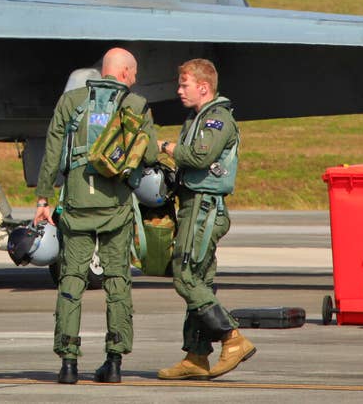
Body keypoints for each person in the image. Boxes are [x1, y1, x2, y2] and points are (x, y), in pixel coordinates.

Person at [34, 47, 158, 385]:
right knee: (117, 281)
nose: (134, 79)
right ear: (123, 73)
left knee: (71, 281)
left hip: (75, 205)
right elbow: (148, 155)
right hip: (115, 208)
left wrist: (44, 197)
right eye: (132, 73)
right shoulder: (135, 105)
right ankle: (114, 361)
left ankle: (68, 364)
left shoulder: (71, 102)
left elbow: (52, 151)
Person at [156, 58, 255, 381]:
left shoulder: (217, 120)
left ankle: (232, 338)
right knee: (199, 280)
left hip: (203, 208)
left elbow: (200, 156)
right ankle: (196, 355)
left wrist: (164, 146)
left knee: (185, 276)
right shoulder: (196, 118)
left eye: (184, 85)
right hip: (192, 203)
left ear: (204, 87)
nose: (179, 90)